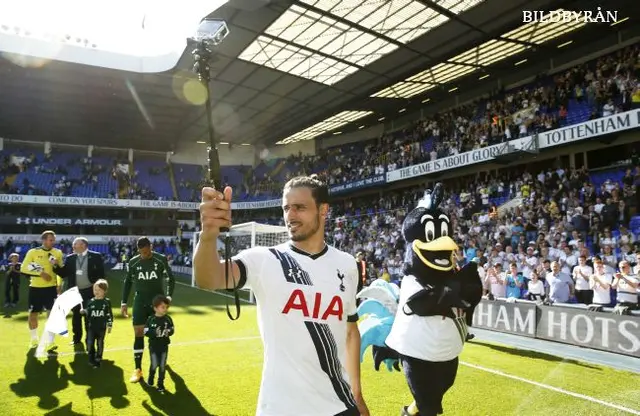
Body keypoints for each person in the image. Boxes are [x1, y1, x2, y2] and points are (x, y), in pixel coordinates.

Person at [194, 176, 370, 416]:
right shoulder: (264, 259)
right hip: (280, 408)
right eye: (287, 207)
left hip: (340, 406)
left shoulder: (348, 264)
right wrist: (208, 235)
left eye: (300, 207)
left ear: (323, 210)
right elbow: (209, 278)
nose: (291, 215)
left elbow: (350, 333)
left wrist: (357, 394)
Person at [121, 237, 175, 383]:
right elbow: (128, 282)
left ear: (151, 247)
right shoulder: (133, 262)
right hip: (140, 301)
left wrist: (168, 296)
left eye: (147, 251)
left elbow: (171, 278)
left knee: (158, 333)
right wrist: (124, 302)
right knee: (138, 333)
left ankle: (161, 359)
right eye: (142, 252)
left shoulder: (160, 259)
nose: (144, 255)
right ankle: (138, 369)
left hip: (157, 302)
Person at [56, 237, 105, 346]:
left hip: (90, 291)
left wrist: (101, 289)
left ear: (83, 245)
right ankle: (76, 339)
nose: (73, 246)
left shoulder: (96, 256)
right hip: (74, 292)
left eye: (75, 244)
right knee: (76, 316)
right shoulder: (70, 258)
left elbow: (101, 275)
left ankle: (89, 338)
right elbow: (63, 273)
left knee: (89, 316)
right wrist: (55, 265)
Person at [20, 230, 64, 349]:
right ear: (43, 240)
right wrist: (41, 273)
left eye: (54, 240)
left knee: (52, 315)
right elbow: (23, 268)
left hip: (51, 289)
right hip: (35, 288)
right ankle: (34, 339)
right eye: (51, 240)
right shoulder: (33, 252)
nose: (53, 242)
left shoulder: (58, 252)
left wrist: (59, 285)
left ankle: (50, 341)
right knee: (33, 314)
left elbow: (60, 271)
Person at [144, 294, 175, 393]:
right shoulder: (150, 319)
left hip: (164, 346)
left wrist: (168, 332)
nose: (165, 309)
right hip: (153, 346)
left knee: (162, 365)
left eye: (166, 307)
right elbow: (145, 331)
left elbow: (172, 329)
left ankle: (160, 384)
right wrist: (154, 333)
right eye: (162, 307)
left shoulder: (168, 319)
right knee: (154, 364)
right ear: (155, 308)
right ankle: (150, 378)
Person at [81, 279, 113, 367]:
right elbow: (88, 313)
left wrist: (110, 324)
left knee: (100, 343)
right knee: (90, 343)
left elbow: (109, 314)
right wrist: (84, 312)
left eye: (99, 290)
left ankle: (99, 357)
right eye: (95, 290)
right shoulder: (90, 302)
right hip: (91, 327)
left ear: (105, 291)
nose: (96, 292)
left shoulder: (106, 302)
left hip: (101, 328)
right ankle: (91, 357)